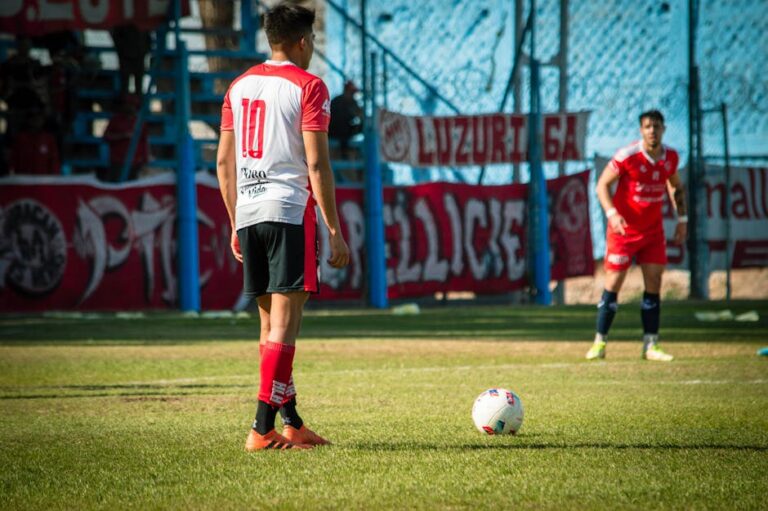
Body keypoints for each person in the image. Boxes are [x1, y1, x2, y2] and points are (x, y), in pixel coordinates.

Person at [216, 3, 350, 451]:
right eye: (311, 41)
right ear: (302, 42)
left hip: (250, 213)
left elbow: (223, 162)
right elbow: (316, 162)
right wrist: (333, 228)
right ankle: (260, 427)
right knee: (286, 330)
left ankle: (291, 422)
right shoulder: (309, 86)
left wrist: (235, 222)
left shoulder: (239, 85)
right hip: (289, 212)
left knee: (269, 327)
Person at [585, 110, 687, 362]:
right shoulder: (627, 156)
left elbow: (675, 186)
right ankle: (600, 342)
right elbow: (602, 185)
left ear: (664, 129)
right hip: (623, 232)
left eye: (656, 126)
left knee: (654, 282)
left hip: (652, 233)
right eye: (647, 126)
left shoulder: (670, 157)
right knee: (614, 283)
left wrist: (682, 219)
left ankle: (651, 344)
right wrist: (612, 214)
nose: (652, 130)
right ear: (641, 130)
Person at [102, 94, 149, 182]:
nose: (130, 107)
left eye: (133, 105)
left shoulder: (140, 122)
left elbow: (145, 141)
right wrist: (122, 135)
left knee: (133, 188)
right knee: (116, 187)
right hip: (117, 161)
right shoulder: (115, 120)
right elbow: (106, 137)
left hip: (135, 162)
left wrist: (145, 158)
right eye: (128, 104)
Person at [328, 80, 363, 159]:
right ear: (346, 90)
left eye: (353, 93)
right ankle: (345, 152)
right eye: (351, 92)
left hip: (345, 133)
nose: (352, 94)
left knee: (365, 126)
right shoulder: (337, 101)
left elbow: (360, 115)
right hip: (333, 132)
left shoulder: (352, 102)